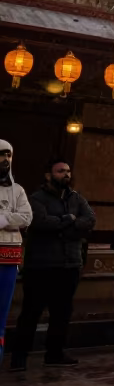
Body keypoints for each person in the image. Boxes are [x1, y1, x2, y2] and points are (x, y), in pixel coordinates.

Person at [10, 159, 95, 370]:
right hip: (42, 265)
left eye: (67, 171)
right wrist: (69, 220)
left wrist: (64, 225)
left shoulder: (76, 198)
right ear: (49, 175)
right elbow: (40, 222)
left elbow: (90, 220)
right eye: (60, 171)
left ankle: (54, 353)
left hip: (69, 265)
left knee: (62, 312)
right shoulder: (36, 198)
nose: (65, 174)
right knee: (31, 312)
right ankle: (19, 357)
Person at [0, 141, 32, 366]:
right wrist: (12, 218)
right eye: (1, 155)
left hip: (8, 258)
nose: (5, 160)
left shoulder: (17, 190)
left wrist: (3, 219)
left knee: (1, 311)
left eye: (8, 155)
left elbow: (26, 217)